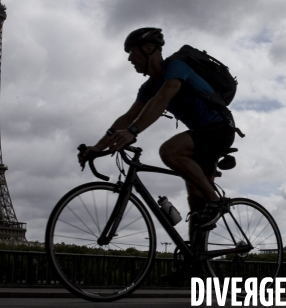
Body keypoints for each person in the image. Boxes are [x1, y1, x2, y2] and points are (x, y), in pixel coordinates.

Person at [78, 27, 237, 236]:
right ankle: (196, 262)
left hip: (220, 128)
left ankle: (216, 202)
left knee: (170, 151)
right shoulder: (148, 87)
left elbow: (162, 99)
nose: (129, 59)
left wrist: (133, 132)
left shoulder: (176, 67)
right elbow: (127, 117)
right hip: (201, 135)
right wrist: (98, 147)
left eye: (131, 52)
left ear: (149, 48)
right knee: (196, 200)